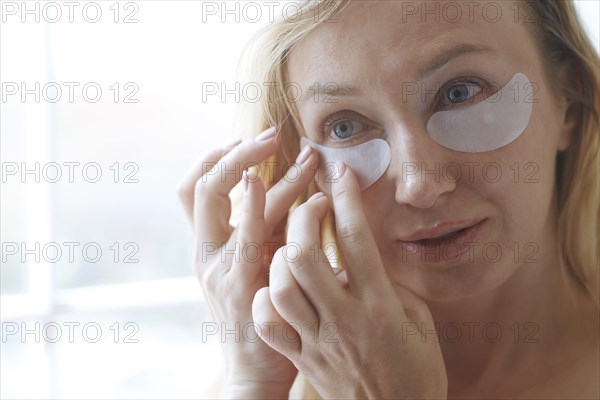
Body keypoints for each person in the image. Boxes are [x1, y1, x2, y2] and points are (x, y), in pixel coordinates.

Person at [178, 0, 599, 398]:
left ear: (568, 103)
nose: (418, 184)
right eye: (345, 127)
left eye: (460, 92)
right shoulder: (274, 380)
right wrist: (253, 384)